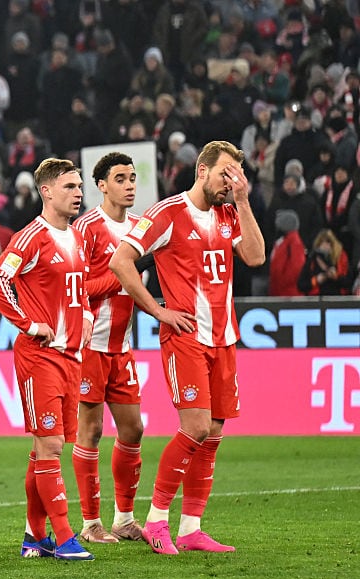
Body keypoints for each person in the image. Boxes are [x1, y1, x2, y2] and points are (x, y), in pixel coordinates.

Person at [110, 140, 265, 555]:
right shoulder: (167, 213)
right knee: (195, 426)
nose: (229, 183)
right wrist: (158, 312)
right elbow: (121, 261)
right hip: (186, 338)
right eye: (224, 174)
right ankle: (158, 521)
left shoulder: (230, 213)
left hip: (224, 337)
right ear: (201, 171)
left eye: (236, 176)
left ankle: (192, 528)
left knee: (213, 432)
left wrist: (244, 202)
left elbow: (255, 256)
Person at [0, 158, 95, 561]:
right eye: (69, 186)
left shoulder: (78, 237)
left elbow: (78, 290)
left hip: (71, 357)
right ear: (46, 191)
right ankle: (64, 538)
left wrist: (89, 315)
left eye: (80, 186)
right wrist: (29, 324)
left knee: (47, 449)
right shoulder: (31, 237)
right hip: (40, 356)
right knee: (48, 445)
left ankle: (34, 535)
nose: (78, 192)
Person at [70, 153, 146, 545]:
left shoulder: (139, 227)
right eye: (120, 178)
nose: (129, 184)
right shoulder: (85, 228)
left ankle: (125, 518)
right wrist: (121, 278)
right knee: (92, 429)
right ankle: (89, 523)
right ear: (102, 185)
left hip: (123, 347)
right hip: (90, 347)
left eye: (132, 177)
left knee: (133, 428)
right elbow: (77, 287)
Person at [297, 228, 352, 295]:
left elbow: (349, 282)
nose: (326, 246)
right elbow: (301, 285)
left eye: (329, 242)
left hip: (337, 299)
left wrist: (336, 277)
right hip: (317, 299)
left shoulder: (341, 259)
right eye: (322, 242)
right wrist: (316, 280)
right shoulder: (312, 260)